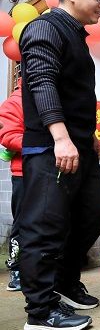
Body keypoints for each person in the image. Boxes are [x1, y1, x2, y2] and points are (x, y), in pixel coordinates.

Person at [18, 0, 100, 330]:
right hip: (50, 146)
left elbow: (76, 94)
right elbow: (41, 81)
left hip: (78, 145)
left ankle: (65, 282)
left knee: (92, 216)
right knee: (45, 227)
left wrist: (87, 137)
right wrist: (60, 136)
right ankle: (39, 311)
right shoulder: (44, 27)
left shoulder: (76, 36)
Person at [0, 78, 24, 292]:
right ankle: (16, 270)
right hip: (22, 174)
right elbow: (8, 136)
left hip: (48, 173)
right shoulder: (15, 101)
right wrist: (42, 143)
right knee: (22, 224)